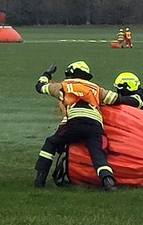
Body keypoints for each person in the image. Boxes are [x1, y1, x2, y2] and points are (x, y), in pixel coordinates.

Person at [34, 60, 125, 192]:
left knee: (51, 142)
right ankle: (109, 183)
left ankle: (40, 179)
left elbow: (40, 86)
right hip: (95, 127)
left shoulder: (63, 85)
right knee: (98, 155)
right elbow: (117, 99)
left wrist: (47, 73)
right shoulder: (96, 89)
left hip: (74, 124)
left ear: (70, 73)